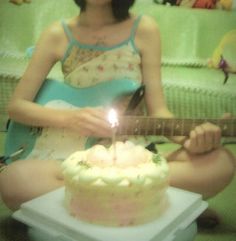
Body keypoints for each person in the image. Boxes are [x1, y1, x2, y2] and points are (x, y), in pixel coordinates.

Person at [0, 0, 235, 214]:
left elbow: (159, 113)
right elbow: (17, 107)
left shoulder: (145, 29)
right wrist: (71, 118)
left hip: (133, 156)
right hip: (75, 158)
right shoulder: (57, 33)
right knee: (13, 181)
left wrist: (189, 139)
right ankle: (150, 204)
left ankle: (87, 206)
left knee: (221, 163)